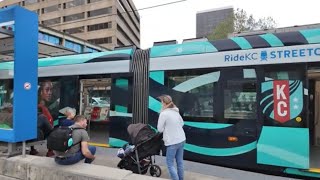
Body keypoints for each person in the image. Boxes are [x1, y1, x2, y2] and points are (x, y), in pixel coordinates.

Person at [157, 95, 186, 180]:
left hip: (172, 142)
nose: (161, 104)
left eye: (161, 102)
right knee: (180, 162)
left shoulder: (164, 114)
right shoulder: (175, 111)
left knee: (170, 164)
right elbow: (182, 123)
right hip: (181, 139)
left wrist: (168, 128)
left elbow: (160, 129)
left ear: (164, 103)